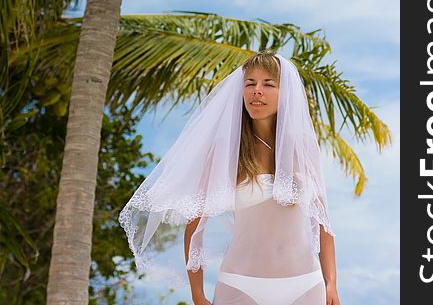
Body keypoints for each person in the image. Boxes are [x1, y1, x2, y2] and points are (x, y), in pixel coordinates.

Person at [119, 51, 340, 305]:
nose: (257, 91)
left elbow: (324, 223)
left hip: (306, 286)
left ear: (285, 93)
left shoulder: (303, 147)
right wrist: (197, 294)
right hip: (240, 286)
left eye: (268, 84)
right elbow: (194, 226)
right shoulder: (225, 150)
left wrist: (331, 283)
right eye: (250, 83)